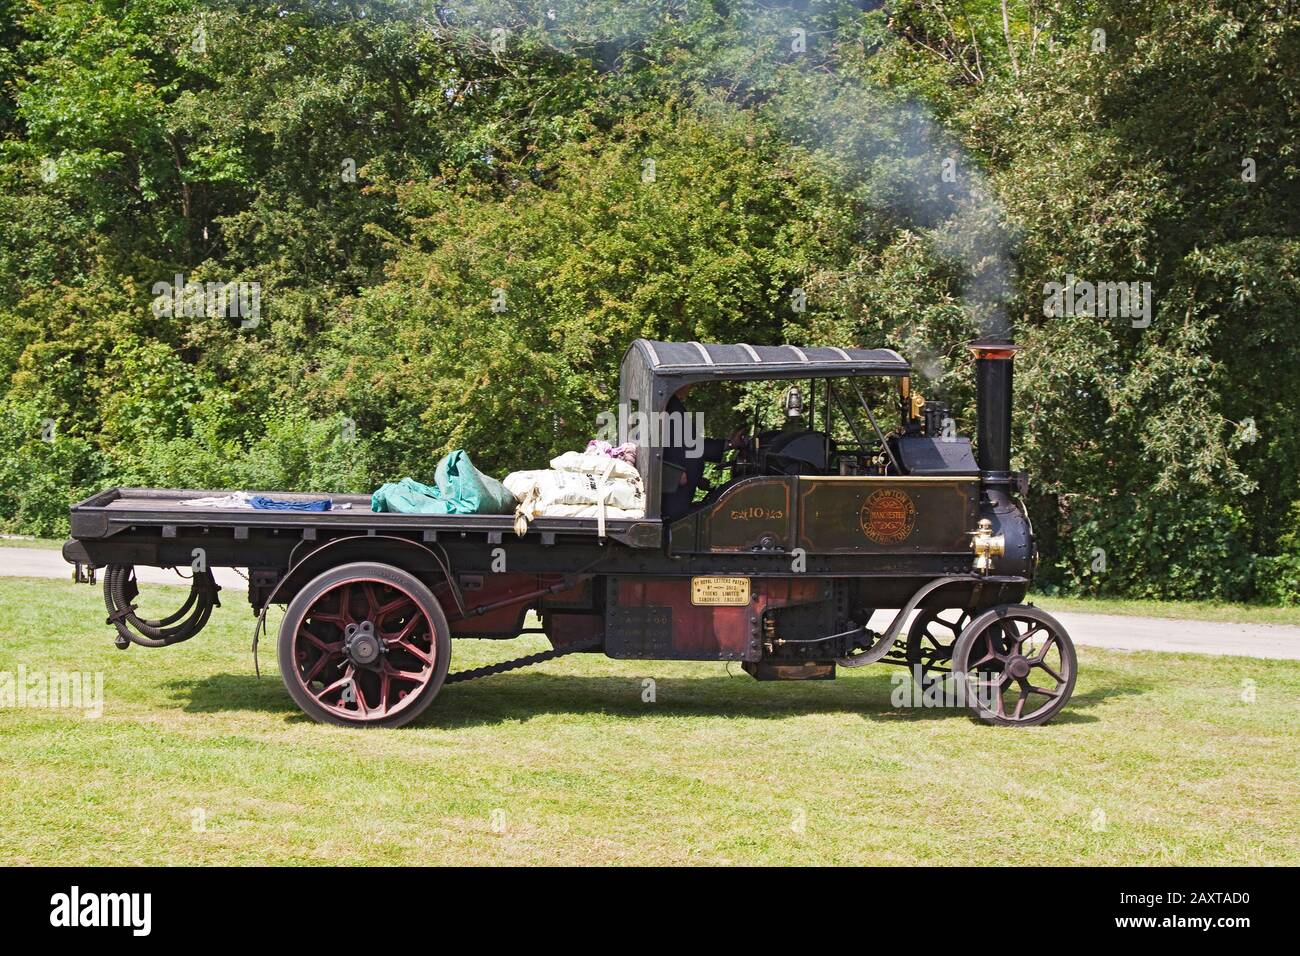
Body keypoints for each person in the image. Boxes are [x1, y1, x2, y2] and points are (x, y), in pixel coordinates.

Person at [660, 384, 746, 521]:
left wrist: (697, 476)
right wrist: (676, 472)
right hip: (676, 487)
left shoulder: (672, 406)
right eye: (688, 384)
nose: (690, 387)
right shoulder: (671, 407)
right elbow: (682, 446)